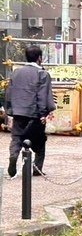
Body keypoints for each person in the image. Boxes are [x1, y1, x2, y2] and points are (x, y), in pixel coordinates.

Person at [4, 45, 56, 177]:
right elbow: (43, 95)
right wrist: (44, 113)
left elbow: (9, 93)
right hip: (34, 113)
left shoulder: (16, 73)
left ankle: (14, 156)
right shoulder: (42, 74)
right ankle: (36, 168)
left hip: (18, 112)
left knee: (17, 138)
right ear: (40, 58)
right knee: (39, 142)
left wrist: (10, 110)